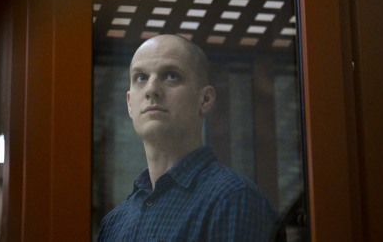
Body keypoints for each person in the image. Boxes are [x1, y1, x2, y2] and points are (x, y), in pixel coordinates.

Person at [97, 34, 279, 241]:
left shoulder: (235, 200)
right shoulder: (114, 223)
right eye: (141, 77)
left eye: (171, 75)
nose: (151, 89)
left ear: (205, 99)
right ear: (130, 103)